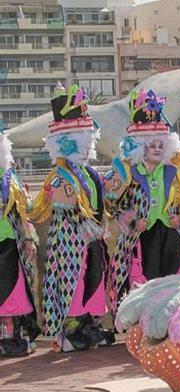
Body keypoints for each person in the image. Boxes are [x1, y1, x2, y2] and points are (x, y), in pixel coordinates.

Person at [29, 84, 113, 351]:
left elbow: (102, 204)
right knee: (71, 280)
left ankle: (90, 323)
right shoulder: (59, 176)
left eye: (88, 136)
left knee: (94, 276)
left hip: (92, 238)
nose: (87, 142)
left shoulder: (90, 173)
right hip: (69, 239)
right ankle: (69, 327)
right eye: (81, 137)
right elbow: (63, 205)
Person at [104, 89, 180, 314]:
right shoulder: (125, 171)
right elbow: (112, 203)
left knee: (175, 277)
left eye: (160, 145)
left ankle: (173, 319)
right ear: (140, 147)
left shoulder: (175, 171)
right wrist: (132, 221)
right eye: (151, 145)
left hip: (172, 233)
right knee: (142, 280)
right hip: (141, 236)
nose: (156, 149)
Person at [0, 132, 38, 357]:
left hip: (11, 243)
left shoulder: (10, 178)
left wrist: (29, 239)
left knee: (14, 293)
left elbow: (24, 212)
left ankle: (10, 337)